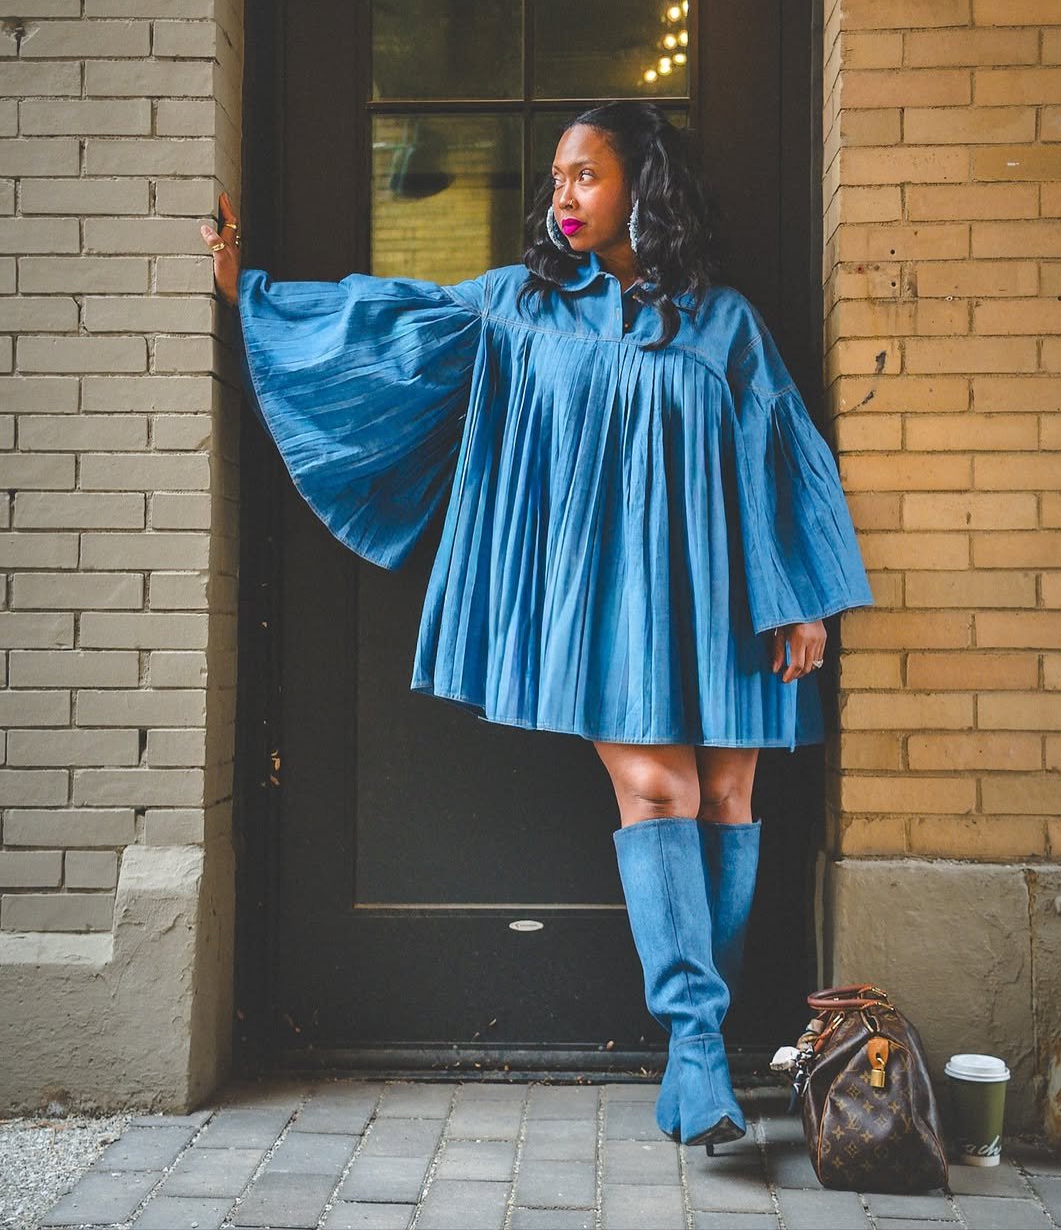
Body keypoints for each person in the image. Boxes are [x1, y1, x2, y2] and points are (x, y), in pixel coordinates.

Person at [200, 100, 874, 1154]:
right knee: (660, 789)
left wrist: (803, 597)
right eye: (556, 178)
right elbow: (387, 325)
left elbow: (782, 449)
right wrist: (254, 294)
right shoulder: (520, 304)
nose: (561, 196)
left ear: (643, 187)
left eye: (584, 176)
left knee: (727, 798)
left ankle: (701, 1039)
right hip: (608, 598)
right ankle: (698, 1045)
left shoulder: (724, 321)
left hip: (725, 594)